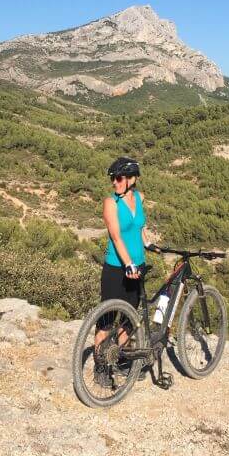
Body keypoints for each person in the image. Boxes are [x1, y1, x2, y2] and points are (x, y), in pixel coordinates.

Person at [93, 156, 153, 386]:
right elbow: (117, 237)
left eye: (119, 178)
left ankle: (117, 360)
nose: (114, 183)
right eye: (113, 179)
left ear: (132, 179)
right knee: (106, 321)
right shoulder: (111, 203)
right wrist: (128, 263)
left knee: (129, 319)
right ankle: (100, 367)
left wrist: (149, 244)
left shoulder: (140, 198)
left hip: (137, 268)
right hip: (117, 269)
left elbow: (140, 228)